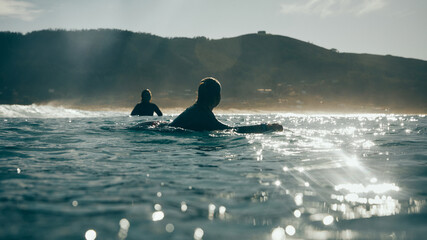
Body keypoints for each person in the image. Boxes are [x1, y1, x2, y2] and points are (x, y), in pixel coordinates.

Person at [170, 77, 283, 133]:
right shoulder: (202, 114)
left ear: (198, 95)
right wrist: (266, 127)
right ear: (217, 97)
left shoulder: (194, 111)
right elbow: (231, 131)